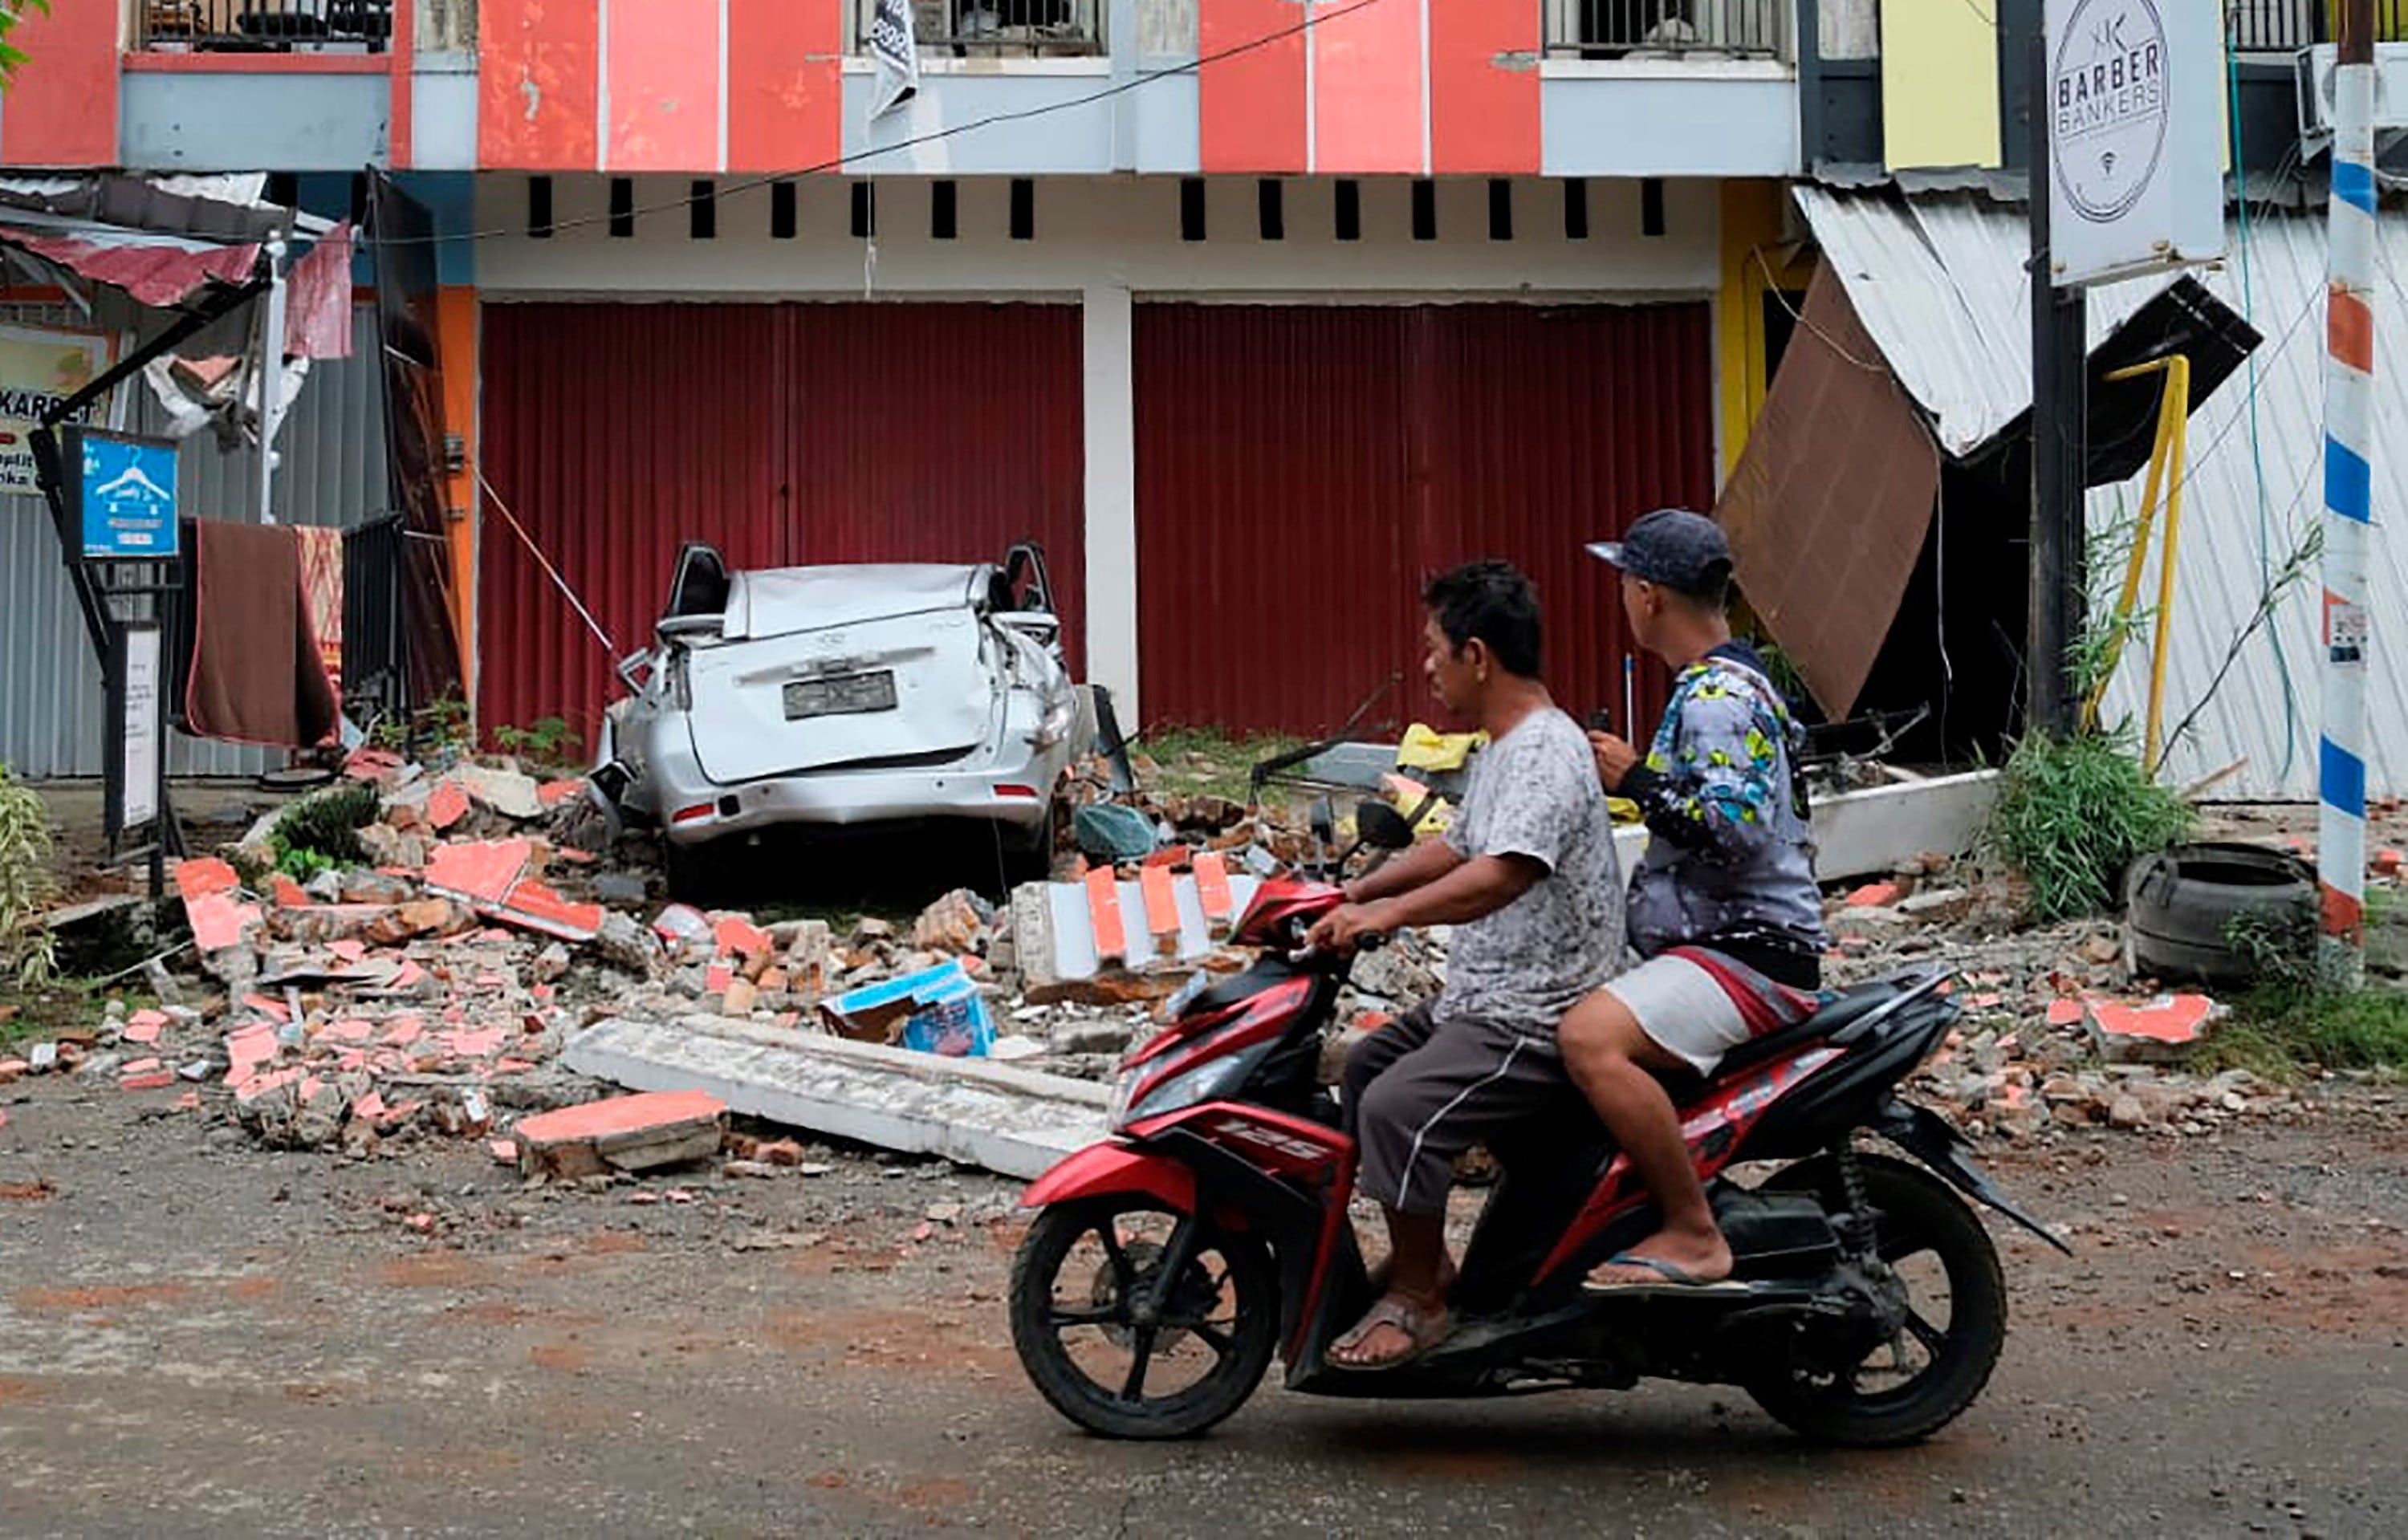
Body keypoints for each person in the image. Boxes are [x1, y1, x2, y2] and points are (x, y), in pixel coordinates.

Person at [1305, 561, 1623, 1369]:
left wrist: (1385, 915)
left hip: (1536, 1010)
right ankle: (1428, 1255)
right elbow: (1456, 845)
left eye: (1434, 648)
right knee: (1370, 1065)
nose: (1426, 665)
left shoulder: (1547, 750)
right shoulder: (1501, 747)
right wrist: (1353, 889)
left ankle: (1420, 1299)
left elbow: (1503, 870)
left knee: (1396, 1109)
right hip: (1484, 991)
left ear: (1477, 654)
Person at [1562, 508, 1829, 1292]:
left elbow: (1732, 831)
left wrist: (1634, 779)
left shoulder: (1717, 696)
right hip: (1716, 946)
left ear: (1649, 596)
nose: (1620, 595)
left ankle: (1693, 1230)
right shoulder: (1722, 683)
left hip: (1748, 954)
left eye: (1624, 582)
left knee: (1588, 1040)